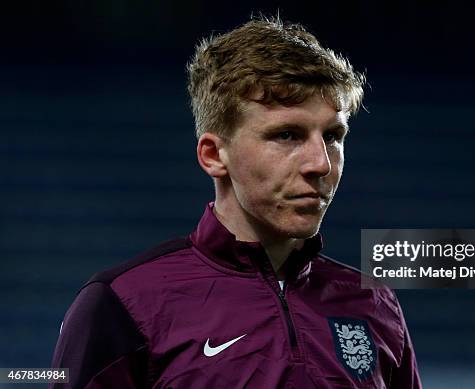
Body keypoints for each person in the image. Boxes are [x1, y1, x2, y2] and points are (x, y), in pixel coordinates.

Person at [51, 17, 422, 388]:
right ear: (214, 155)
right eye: (287, 135)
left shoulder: (373, 304)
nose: (321, 163)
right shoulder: (122, 304)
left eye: (333, 136)